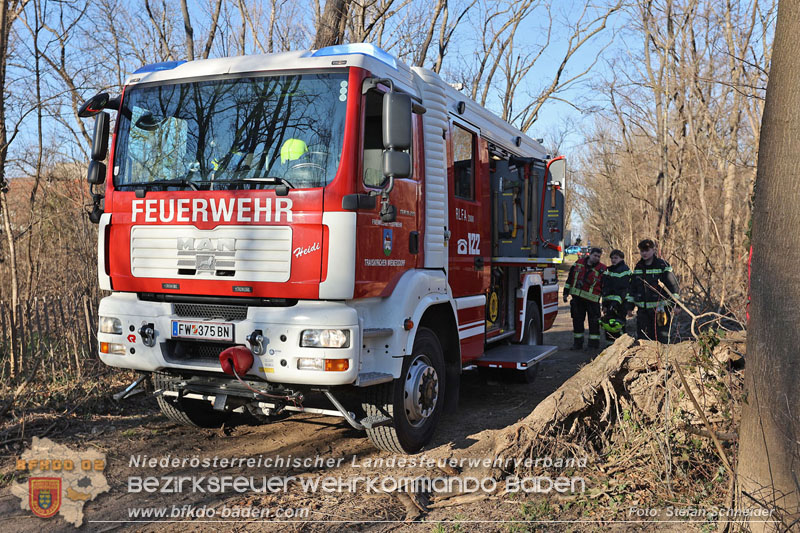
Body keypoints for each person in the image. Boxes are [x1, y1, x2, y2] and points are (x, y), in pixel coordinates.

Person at [626, 239, 680, 343]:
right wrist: (629, 307)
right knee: (643, 338)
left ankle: (663, 359)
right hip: (643, 311)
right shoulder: (638, 267)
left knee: (662, 338)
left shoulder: (663, 265)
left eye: (647, 250)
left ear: (653, 250)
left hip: (660, 310)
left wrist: (677, 305)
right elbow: (633, 288)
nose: (644, 253)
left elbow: (673, 286)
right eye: (642, 251)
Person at [563, 247, 607, 349]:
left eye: (598, 256)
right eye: (595, 255)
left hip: (592, 301)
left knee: (594, 323)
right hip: (577, 299)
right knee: (577, 322)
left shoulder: (603, 269)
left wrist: (605, 304)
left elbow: (605, 287)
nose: (596, 258)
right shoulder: (578, 263)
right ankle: (577, 344)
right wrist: (565, 293)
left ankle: (593, 345)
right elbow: (570, 278)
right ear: (589, 254)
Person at [601, 249, 632, 341]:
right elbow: (605, 289)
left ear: (622, 258)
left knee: (619, 325)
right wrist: (604, 305)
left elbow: (624, 289)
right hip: (609, 303)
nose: (613, 260)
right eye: (612, 258)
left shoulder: (625, 270)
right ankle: (609, 347)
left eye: (616, 258)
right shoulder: (608, 270)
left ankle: (622, 346)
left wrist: (616, 303)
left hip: (620, 304)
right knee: (608, 325)